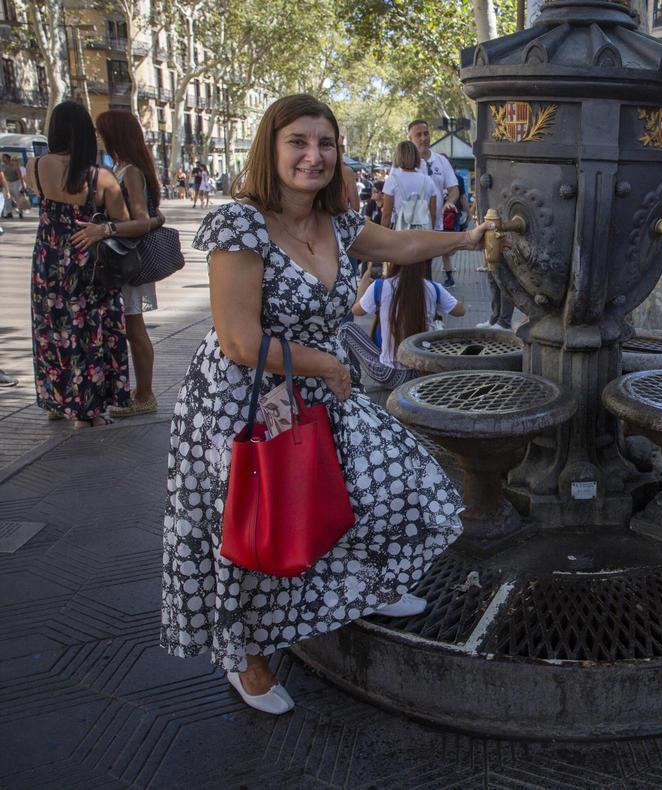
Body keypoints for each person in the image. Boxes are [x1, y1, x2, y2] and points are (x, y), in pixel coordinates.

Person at [162, 94, 493, 715]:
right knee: (253, 527)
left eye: (326, 143)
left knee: (393, 484)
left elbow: (400, 244)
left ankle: (365, 586)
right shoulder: (240, 225)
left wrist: (468, 237)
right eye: (299, 142)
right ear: (273, 148)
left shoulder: (339, 223)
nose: (314, 156)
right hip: (244, 401)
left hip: (318, 388)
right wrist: (327, 363)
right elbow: (238, 339)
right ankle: (245, 659)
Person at [28, 101, 149, 428]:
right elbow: (123, 223)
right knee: (89, 333)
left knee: (53, 330)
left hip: (48, 261)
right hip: (88, 263)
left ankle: (59, 400)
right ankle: (88, 413)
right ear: (84, 133)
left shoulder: (34, 167)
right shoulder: (102, 178)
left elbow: (38, 197)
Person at [95, 110, 166, 418]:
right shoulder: (121, 168)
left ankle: (146, 394)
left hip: (128, 260)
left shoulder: (130, 172)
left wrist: (107, 228)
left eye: (102, 132)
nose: (98, 137)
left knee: (135, 328)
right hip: (120, 258)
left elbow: (140, 221)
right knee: (130, 327)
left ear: (115, 135)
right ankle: (137, 392)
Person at [340, 259, 465, 389]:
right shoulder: (433, 288)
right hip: (422, 375)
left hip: (391, 375)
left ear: (392, 263)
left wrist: (362, 286)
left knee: (346, 329)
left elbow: (356, 310)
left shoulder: (380, 286)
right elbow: (460, 311)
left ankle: (354, 385)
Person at [406, 120, 459, 286]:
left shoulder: (441, 161)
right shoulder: (404, 163)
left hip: (435, 225)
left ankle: (427, 306)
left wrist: (449, 202)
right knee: (411, 271)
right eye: (418, 135)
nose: (423, 138)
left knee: (426, 269)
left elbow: (454, 189)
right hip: (409, 227)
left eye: (426, 133)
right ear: (410, 138)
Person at [380, 141, 437, 233]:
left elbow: (386, 214)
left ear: (398, 157)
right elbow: (433, 213)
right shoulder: (428, 180)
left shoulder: (393, 180)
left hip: (402, 235)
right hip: (423, 235)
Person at [1, 153, 27, 219]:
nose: (3, 159)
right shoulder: (2, 166)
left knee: (18, 198)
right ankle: (9, 213)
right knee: (6, 198)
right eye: (2, 158)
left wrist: (22, 185)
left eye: (4, 158)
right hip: (7, 183)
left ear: (8, 159)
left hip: (16, 183)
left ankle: (20, 212)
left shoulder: (14, 165)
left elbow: (20, 175)